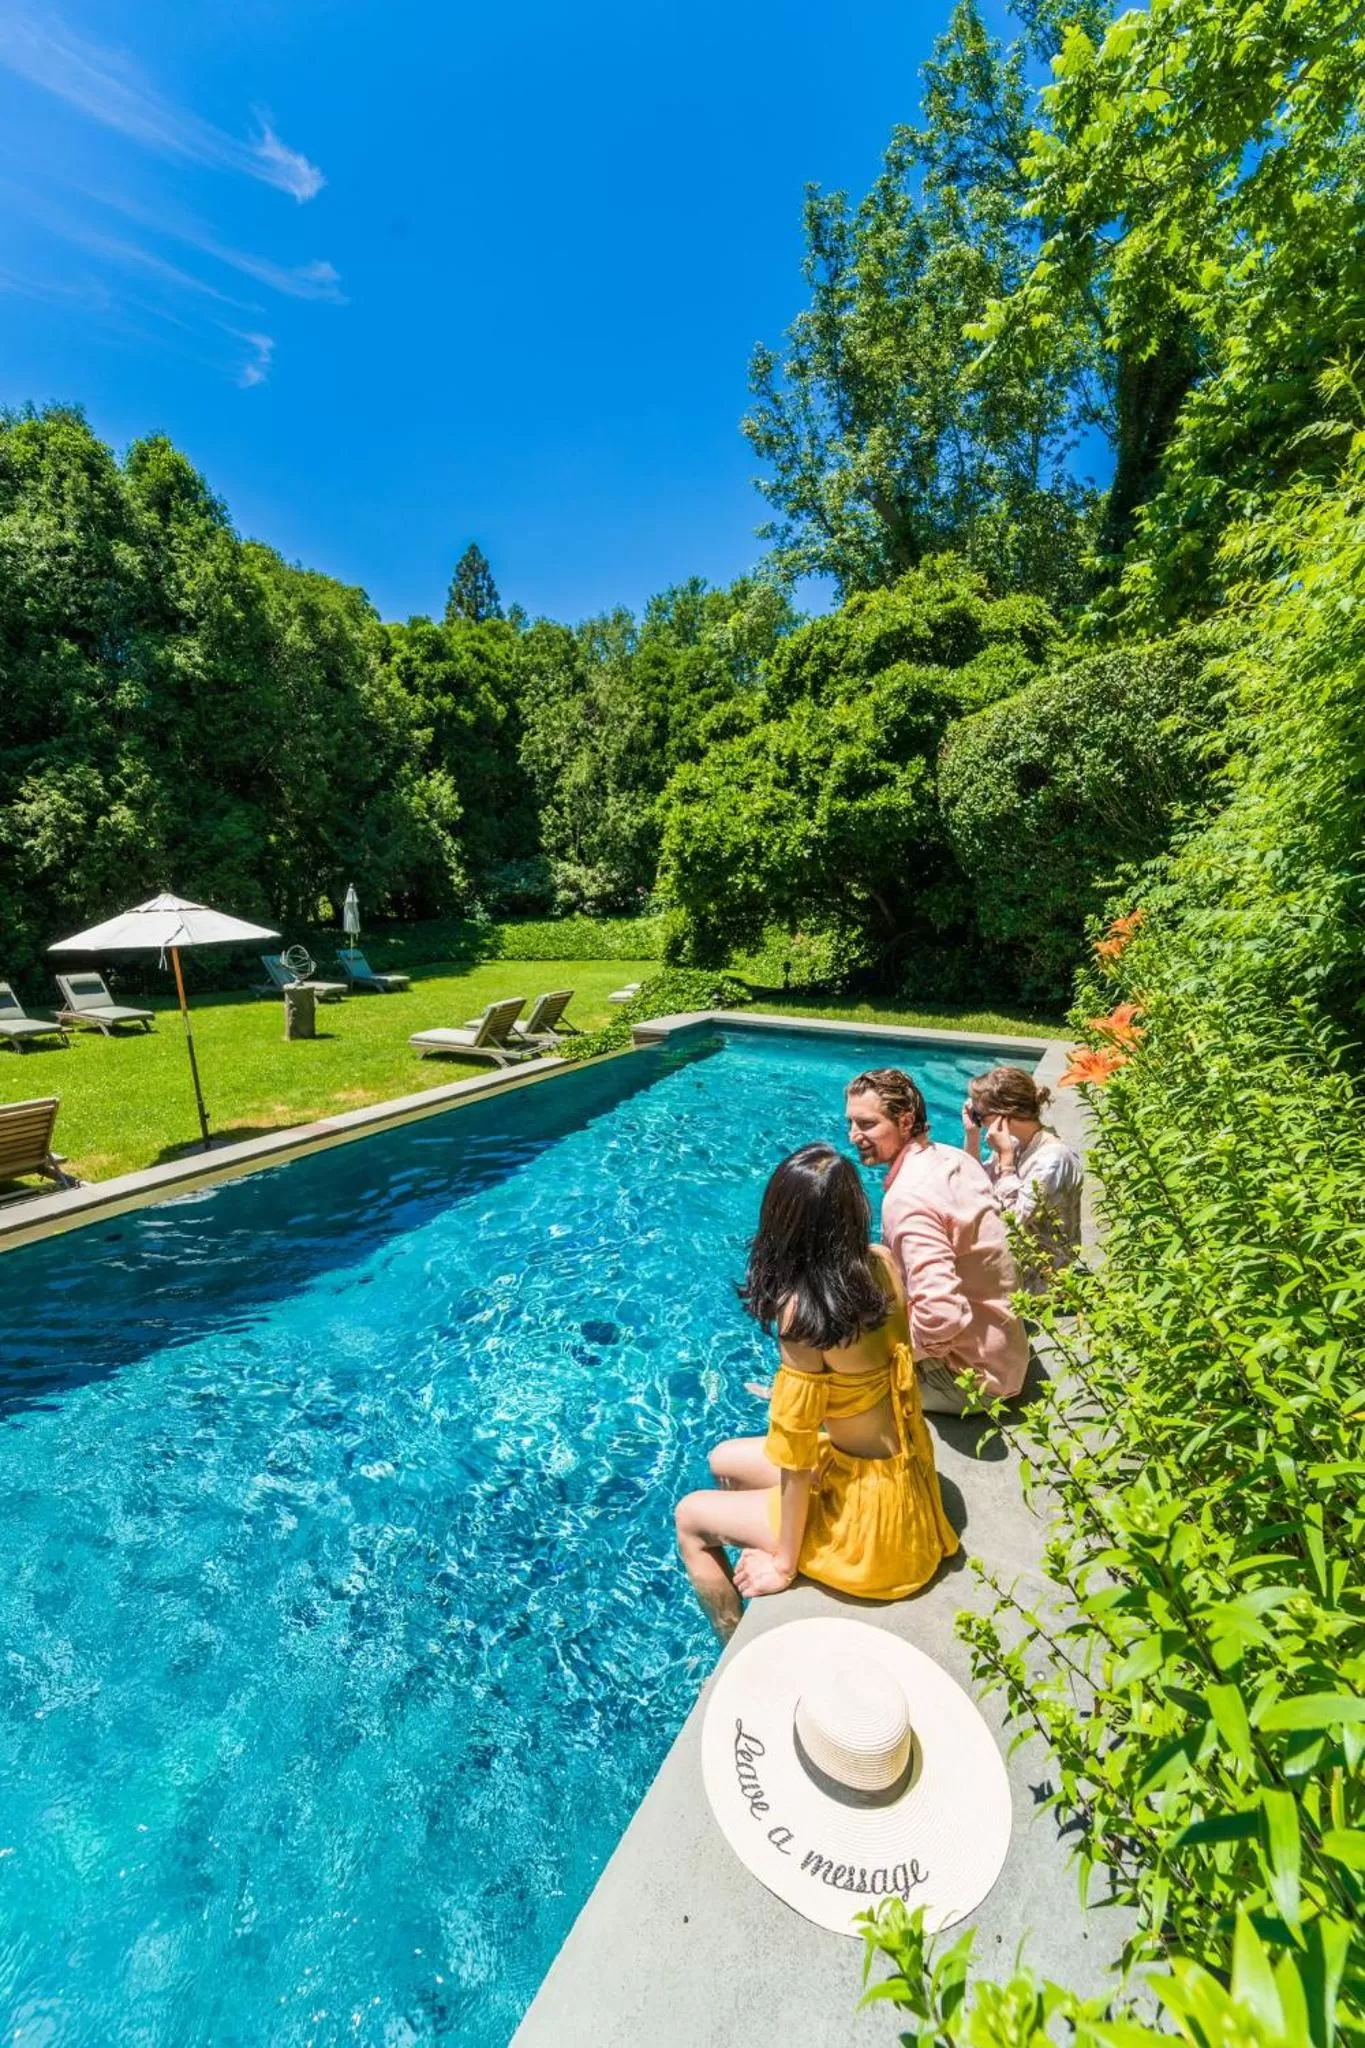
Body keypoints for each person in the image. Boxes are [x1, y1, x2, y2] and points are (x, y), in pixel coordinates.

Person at [674, 1144, 958, 1642]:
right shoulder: (881, 1264)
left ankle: (731, 1640)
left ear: (782, 1223)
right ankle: (758, 1537)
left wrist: (783, 1565)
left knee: (690, 1518)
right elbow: (862, 1378)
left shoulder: (802, 1318)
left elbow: (797, 1458)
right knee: (722, 1457)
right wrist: (787, 1393)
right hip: (902, 1478)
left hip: (872, 1530)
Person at [845, 1067, 1028, 1414]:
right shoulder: (952, 1158)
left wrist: (882, 1359)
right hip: (1005, 1355)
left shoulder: (908, 1198)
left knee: (840, 1358)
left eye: (867, 1124)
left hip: (972, 1382)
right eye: (851, 1123)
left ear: (905, 1121)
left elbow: (941, 1315)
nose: (854, 1135)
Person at [963, 1065, 1083, 1293]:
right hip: (1017, 1262)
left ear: (1004, 1115)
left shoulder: (1052, 1160)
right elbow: (972, 1185)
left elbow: (1012, 1222)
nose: (977, 1120)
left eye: (980, 1116)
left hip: (1043, 1279)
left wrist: (1006, 1163)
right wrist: (973, 1134)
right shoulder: (1019, 1144)